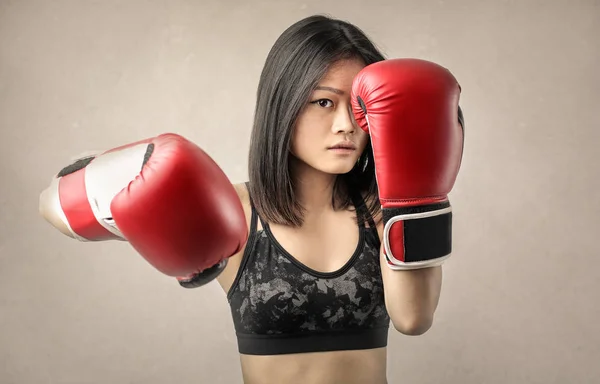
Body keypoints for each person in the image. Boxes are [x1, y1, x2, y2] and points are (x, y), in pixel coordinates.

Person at [39, 14, 464, 384]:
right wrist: (124, 175)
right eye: (322, 102)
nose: (346, 126)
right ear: (284, 105)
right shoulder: (236, 212)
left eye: (360, 109)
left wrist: (415, 199)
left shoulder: (383, 212)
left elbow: (413, 319)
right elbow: (54, 206)